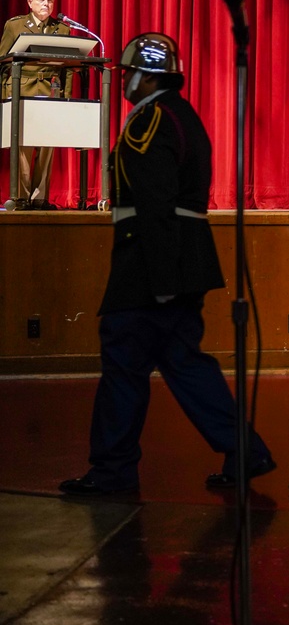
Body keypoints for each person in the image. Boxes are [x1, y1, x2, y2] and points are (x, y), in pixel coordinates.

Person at [59, 33, 274, 495]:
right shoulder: (183, 114)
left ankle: (113, 469)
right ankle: (245, 449)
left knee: (123, 362)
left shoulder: (148, 120)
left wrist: (158, 279)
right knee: (183, 363)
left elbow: (155, 205)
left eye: (128, 75)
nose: (123, 84)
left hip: (151, 265)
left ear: (146, 76)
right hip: (184, 259)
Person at [0, 0, 73, 207]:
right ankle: (21, 198)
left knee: (47, 146)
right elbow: (3, 62)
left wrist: (65, 97)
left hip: (51, 92)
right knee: (23, 146)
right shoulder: (15, 26)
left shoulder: (62, 29)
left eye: (50, 0)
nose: (46, 4)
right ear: (30, 3)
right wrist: (5, 95)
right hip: (22, 90)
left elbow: (67, 68)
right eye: (41, 0)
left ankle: (40, 199)